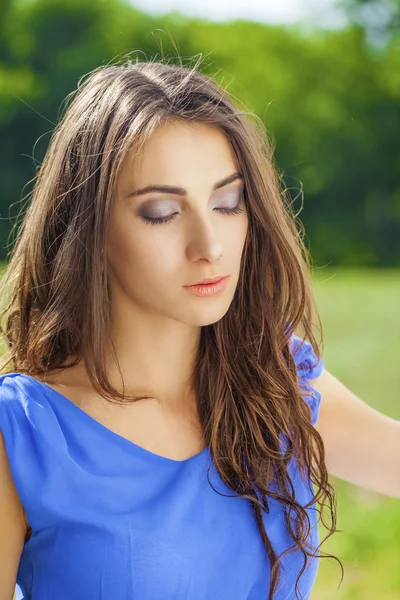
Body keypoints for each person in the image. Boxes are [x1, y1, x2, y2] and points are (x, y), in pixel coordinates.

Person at [0, 56, 398, 600]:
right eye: (162, 212)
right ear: (87, 230)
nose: (209, 247)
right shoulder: (22, 435)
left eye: (228, 203)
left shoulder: (275, 379)